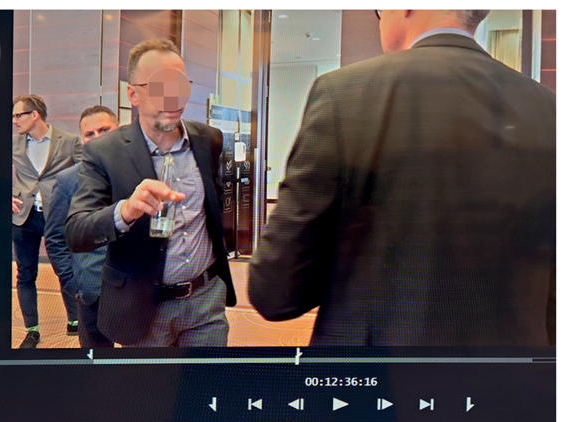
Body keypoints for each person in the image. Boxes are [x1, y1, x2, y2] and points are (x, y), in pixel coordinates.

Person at [248, 10, 555, 346]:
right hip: (509, 366)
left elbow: (275, 291)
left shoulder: (343, 93)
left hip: (373, 368)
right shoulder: (549, 109)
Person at [65, 38, 236, 346]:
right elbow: (77, 232)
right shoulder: (104, 151)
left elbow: (216, 204)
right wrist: (125, 211)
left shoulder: (208, 139)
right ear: (133, 94)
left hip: (205, 301)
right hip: (142, 308)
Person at [12, 94, 83, 348]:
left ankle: (75, 319)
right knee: (25, 274)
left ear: (34, 115)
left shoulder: (70, 141)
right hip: (24, 216)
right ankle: (32, 330)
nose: (14, 121)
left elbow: (87, 174)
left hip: (58, 216)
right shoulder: (13, 142)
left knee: (65, 269)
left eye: (18, 115)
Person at [48, 106, 119, 348]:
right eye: (90, 134)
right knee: (95, 360)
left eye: (104, 130)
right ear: (82, 139)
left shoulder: (139, 171)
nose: (97, 137)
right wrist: (72, 283)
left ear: (119, 130)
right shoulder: (67, 180)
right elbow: (56, 238)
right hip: (89, 291)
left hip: (136, 288)